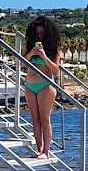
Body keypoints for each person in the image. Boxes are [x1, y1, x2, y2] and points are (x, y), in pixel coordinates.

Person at [21, 15, 62, 159]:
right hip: (30, 85)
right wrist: (31, 53)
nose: (39, 36)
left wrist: (44, 56)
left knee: (45, 119)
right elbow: (21, 64)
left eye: (42, 33)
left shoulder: (54, 48)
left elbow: (56, 69)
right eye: (37, 33)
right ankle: (39, 149)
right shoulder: (29, 46)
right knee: (35, 119)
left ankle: (46, 151)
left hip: (46, 85)